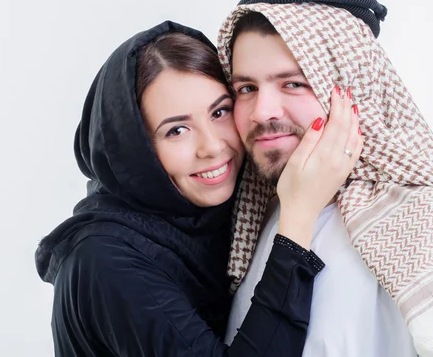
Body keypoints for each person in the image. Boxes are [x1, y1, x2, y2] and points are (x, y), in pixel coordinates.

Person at [35, 21, 363, 356]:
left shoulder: (232, 216)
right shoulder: (105, 261)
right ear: (134, 151)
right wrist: (298, 217)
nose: (212, 147)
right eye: (177, 130)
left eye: (220, 111)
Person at [217, 0, 433, 356]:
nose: (262, 112)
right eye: (246, 88)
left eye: (293, 83)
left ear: (352, 90)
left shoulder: (423, 221)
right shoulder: (253, 210)